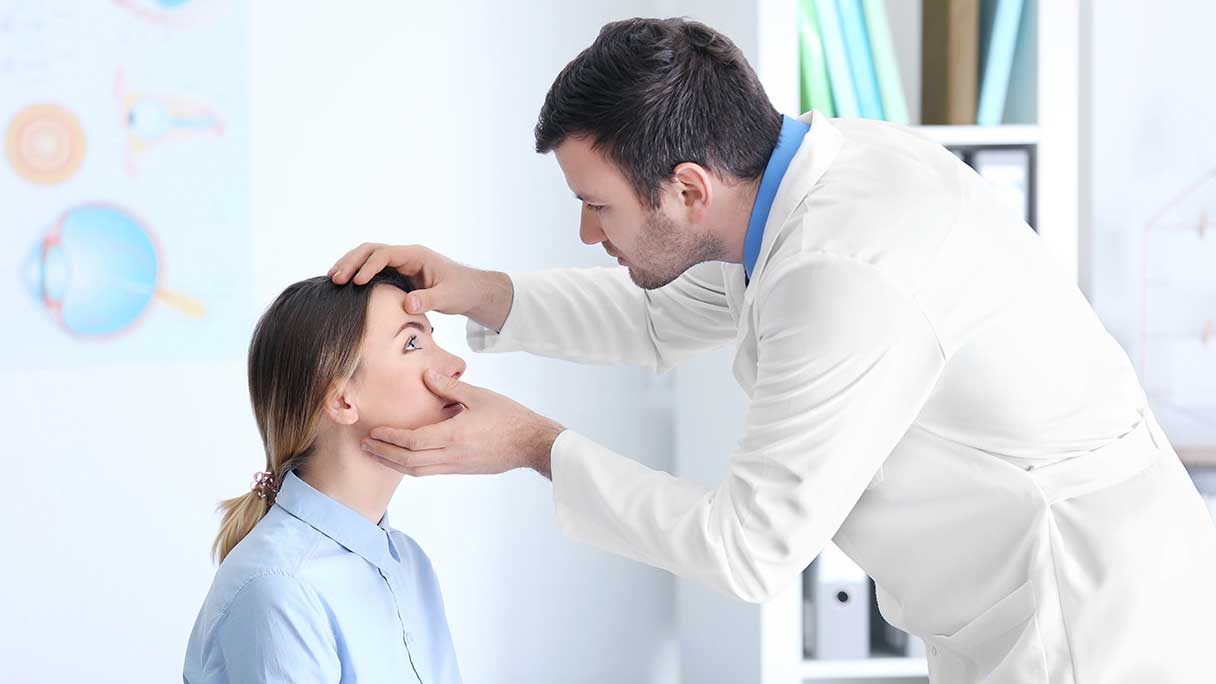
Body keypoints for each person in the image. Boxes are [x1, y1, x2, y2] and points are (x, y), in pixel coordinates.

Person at [331, 17, 1216, 684]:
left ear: (687, 187)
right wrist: (476, 287)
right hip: (1033, 596)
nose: (584, 229)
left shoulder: (847, 269)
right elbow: (655, 318)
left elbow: (746, 547)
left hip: (1088, 625)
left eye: (598, 205)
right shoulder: (799, 187)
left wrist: (533, 446)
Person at [184, 271, 464, 683]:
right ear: (341, 399)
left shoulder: (408, 563)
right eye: (412, 343)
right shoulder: (280, 587)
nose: (455, 365)